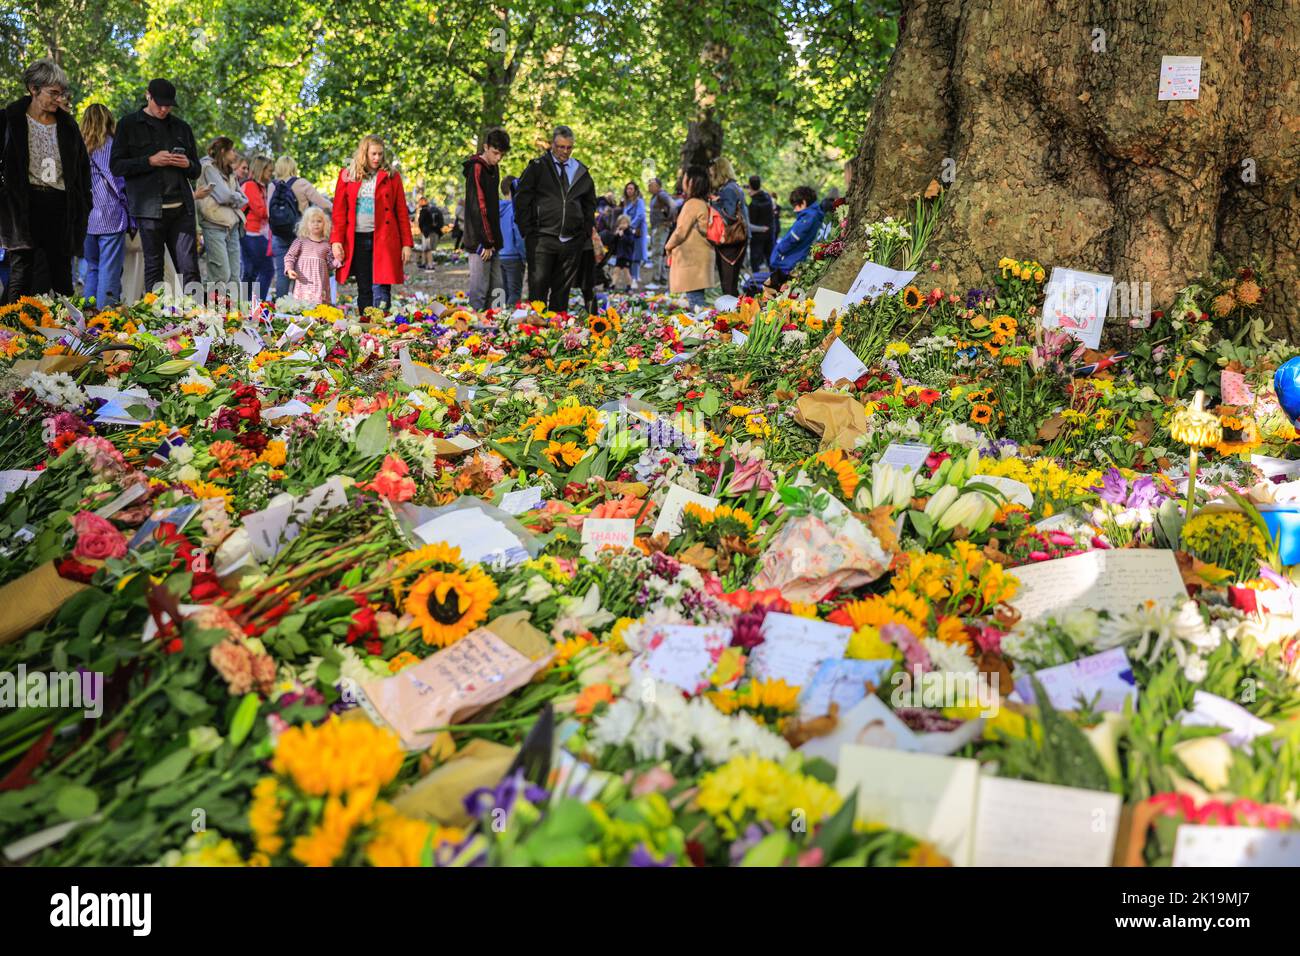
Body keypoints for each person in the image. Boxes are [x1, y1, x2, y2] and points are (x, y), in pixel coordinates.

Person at [0, 59, 92, 303]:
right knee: (22, 271)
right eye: (53, 93)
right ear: (33, 88)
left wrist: (84, 204)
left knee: (61, 274)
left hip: (61, 205)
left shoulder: (68, 126)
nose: (58, 98)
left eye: (61, 93)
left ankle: (66, 331)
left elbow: (83, 171)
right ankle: (10, 333)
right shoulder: (9, 120)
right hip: (22, 206)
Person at [109, 78, 201, 295]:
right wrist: (149, 161)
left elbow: (196, 170)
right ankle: (156, 316)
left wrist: (187, 164)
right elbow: (116, 166)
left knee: (189, 268)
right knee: (154, 266)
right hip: (148, 211)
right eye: (159, 103)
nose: (163, 109)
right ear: (147, 95)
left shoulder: (182, 127)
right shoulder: (128, 124)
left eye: (168, 105)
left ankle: (200, 318)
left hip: (182, 209)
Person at [513, 124, 595, 313]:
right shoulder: (538, 167)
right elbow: (522, 198)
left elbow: (589, 204)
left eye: (569, 147)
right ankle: (536, 330)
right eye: (560, 147)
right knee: (538, 288)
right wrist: (527, 230)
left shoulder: (581, 171)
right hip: (542, 238)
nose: (564, 152)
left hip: (571, 241)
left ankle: (558, 331)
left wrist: (584, 231)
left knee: (562, 291)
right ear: (552, 145)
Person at [329, 134, 413, 312]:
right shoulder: (347, 176)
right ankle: (366, 324)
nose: (377, 158)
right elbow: (339, 212)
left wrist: (406, 244)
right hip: (357, 237)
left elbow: (401, 212)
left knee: (383, 285)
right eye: (373, 154)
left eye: (380, 154)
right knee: (364, 285)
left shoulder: (392, 176)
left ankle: (383, 324)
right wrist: (336, 241)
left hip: (384, 237)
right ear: (364, 153)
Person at [79, 102, 131, 309]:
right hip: (109, 215)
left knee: (93, 268)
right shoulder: (108, 145)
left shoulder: (79, 146)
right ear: (108, 120)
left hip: (87, 217)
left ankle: (88, 315)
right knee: (109, 269)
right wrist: (128, 204)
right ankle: (105, 320)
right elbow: (116, 179)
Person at [266, 156, 332, 298]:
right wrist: (335, 208)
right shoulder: (301, 183)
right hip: (301, 235)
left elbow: (268, 213)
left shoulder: (272, 186)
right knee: (302, 272)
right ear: (293, 167)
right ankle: (300, 306)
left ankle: (280, 309)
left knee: (282, 272)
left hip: (279, 235)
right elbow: (322, 203)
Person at [462, 127, 509, 312]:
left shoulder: (493, 168)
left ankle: (496, 325)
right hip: (480, 242)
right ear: (485, 147)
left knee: (498, 289)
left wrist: (494, 241)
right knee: (479, 290)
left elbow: (491, 205)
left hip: (493, 240)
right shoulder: (477, 168)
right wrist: (487, 241)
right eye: (495, 153)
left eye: (501, 155)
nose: (498, 158)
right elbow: (478, 207)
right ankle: (474, 333)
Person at [197, 136, 247, 290]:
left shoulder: (229, 171)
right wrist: (234, 198)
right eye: (232, 150)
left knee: (234, 275)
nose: (235, 153)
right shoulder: (207, 167)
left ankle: (231, 311)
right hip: (214, 225)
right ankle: (209, 307)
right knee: (220, 274)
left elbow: (244, 199)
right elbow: (223, 195)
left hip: (232, 225)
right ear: (223, 151)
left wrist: (233, 197)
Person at [664, 165, 716, 309]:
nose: (682, 181)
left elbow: (681, 231)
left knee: (697, 304)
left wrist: (668, 246)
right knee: (697, 299)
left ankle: (704, 331)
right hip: (700, 258)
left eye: (685, 178)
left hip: (692, 261)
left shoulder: (692, 204)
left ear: (692, 182)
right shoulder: (702, 203)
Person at [767, 185, 824, 291]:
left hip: (789, 262)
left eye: (796, 205)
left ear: (803, 202)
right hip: (795, 260)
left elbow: (792, 239)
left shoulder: (807, 218)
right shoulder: (815, 215)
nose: (794, 209)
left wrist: (779, 250)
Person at [707, 157, 748, 298]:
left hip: (731, 241)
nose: (711, 176)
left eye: (712, 173)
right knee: (731, 282)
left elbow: (728, 217)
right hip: (738, 239)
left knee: (728, 283)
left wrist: (713, 204)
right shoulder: (734, 186)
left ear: (719, 171)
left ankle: (731, 315)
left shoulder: (728, 190)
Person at [283, 207, 339, 306]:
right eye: (312, 221)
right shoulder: (301, 241)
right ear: (306, 224)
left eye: (319, 221)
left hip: (319, 285)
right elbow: (290, 256)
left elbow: (329, 265)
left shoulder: (326, 245)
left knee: (319, 309)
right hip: (304, 282)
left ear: (325, 224)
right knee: (303, 307)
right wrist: (289, 269)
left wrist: (337, 260)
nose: (316, 224)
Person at [240, 155, 274, 298]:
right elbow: (262, 211)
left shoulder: (259, 186)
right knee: (267, 270)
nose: (271, 174)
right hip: (252, 234)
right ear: (261, 169)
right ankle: (257, 304)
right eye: (269, 171)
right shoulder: (251, 186)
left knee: (250, 271)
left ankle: (246, 304)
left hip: (254, 234)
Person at [499, 175, 525, 306]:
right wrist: (524, 255)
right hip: (514, 255)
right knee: (514, 293)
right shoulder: (515, 209)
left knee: (503, 292)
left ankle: (499, 316)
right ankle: (509, 320)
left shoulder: (495, 209)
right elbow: (518, 234)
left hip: (499, 255)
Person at [620, 182, 648, 290]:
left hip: (637, 231)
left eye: (631, 189)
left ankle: (635, 279)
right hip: (628, 231)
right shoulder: (627, 203)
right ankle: (631, 279)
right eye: (627, 189)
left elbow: (640, 216)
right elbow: (624, 216)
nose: (629, 191)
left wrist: (630, 226)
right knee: (629, 254)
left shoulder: (639, 201)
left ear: (635, 190)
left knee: (636, 256)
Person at [746, 175, 776, 274]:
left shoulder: (753, 204)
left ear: (750, 186)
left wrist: (761, 229)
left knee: (755, 262)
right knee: (771, 259)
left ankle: (757, 283)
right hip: (770, 233)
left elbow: (749, 223)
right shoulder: (768, 198)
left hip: (758, 236)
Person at [646, 177, 673, 287]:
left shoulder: (662, 195)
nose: (649, 187)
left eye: (651, 185)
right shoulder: (656, 196)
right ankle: (662, 280)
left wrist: (668, 220)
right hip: (657, 227)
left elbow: (673, 205)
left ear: (657, 186)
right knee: (659, 253)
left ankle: (655, 281)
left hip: (661, 227)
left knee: (656, 254)